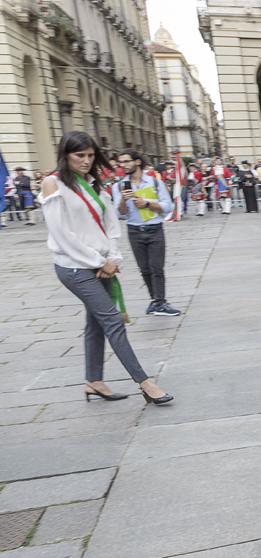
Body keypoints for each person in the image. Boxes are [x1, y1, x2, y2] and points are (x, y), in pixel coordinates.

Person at [42, 132, 173, 405]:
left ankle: (94, 381)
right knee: (112, 319)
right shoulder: (52, 184)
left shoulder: (94, 184)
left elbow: (112, 225)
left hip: (102, 265)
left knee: (96, 324)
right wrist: (100, 262)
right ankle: (145, 383)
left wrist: (111, 260)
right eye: (80, 155)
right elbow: (62, 235)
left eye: (91, 155)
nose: (86, 161)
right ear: (65, 154)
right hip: (74, 267)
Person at [111, 149, 179, 317]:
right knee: (145, 269)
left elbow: (167, 206)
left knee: (157, 268)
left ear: (137, 162)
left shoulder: (155, 183)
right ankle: (155, 301)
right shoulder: (118, 186)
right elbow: (119, 214)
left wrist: (147, 203)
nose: (123, 165)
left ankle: (160, 302)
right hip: (134, 231)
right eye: (121, 162)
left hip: (154, 229)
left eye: (126, 161)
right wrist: (123, 201)